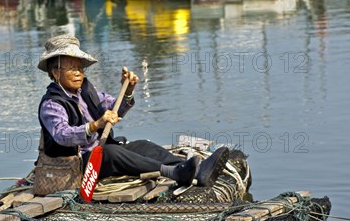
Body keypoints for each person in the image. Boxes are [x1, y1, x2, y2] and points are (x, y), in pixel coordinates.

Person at [37, 34, 229, 188]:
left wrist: (127, 91)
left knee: (143, 145)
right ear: (55, 73)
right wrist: (96, 125)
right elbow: (62, 135)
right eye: (72, 68)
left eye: (80, 68)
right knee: (111, 153)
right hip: (78, 163)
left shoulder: (85, 90)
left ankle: (192, 171)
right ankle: (174, 173)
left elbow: (114, 108)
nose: (79, 73)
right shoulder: (52, 104)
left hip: (100, 150)